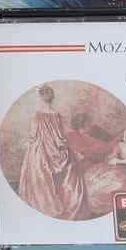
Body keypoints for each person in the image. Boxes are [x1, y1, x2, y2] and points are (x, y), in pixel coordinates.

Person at [17, 84, 86, 220]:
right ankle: (64, 200)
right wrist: (61, 145)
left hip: (41, 148)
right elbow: (60, 134)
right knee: (67, 169)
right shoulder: (56, 115)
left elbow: (33, 134)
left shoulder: (37, 116)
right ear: (52, 98)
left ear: (41, 98)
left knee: (38, 172)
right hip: (55, 146)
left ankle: (43, 203)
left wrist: (28, 142)